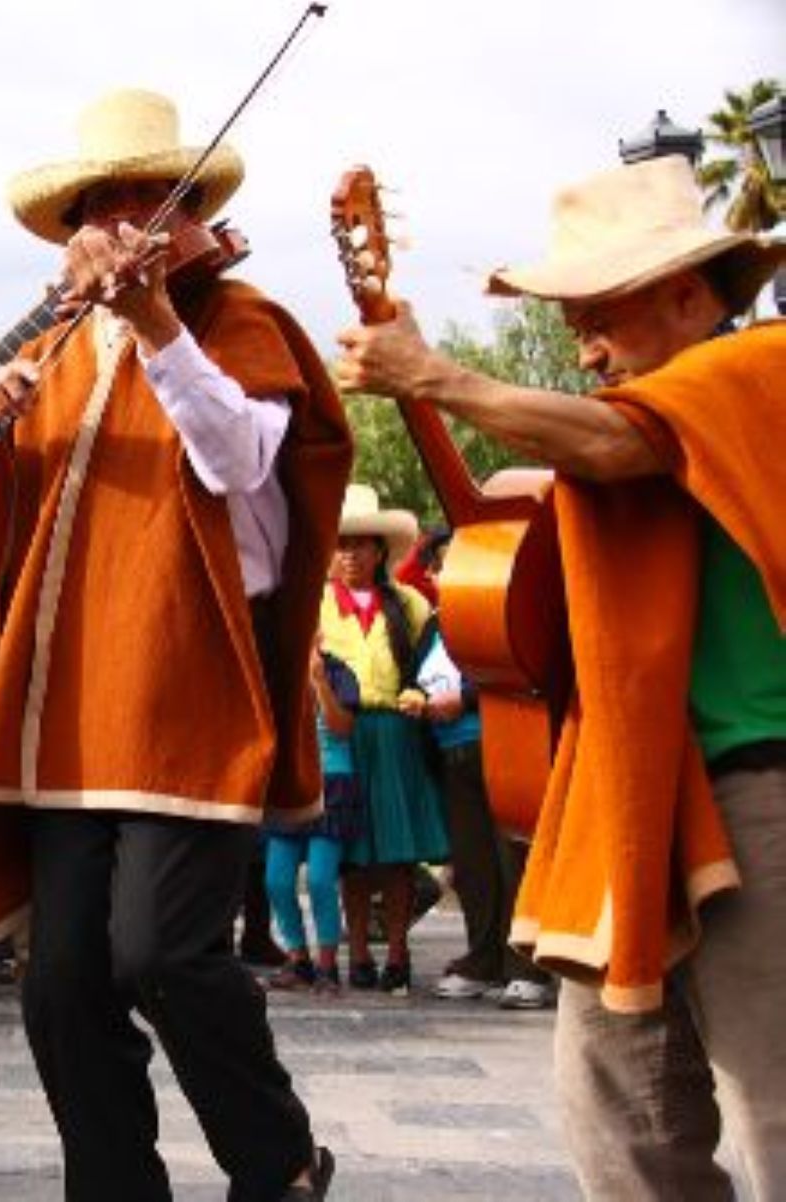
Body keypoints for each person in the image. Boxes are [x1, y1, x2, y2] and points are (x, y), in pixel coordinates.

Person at [0, 89, 350, 1202]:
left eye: (153, 199)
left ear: (190, 218)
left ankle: (277, 1161)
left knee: (166, 955)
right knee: (61, 985)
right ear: (74, 226)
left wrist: (157, 324)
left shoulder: (242, 320)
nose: (129, 220)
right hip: (69, 704)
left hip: (194, 687)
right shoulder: (52, 340)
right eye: (104, 203)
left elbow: (237, 462)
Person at [334, 154, 786, 1200]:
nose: (583, 342)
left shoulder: (755, 370)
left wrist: (438, 375)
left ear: (687, 291)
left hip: (757, 783)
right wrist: (427, 396)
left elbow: (618, 444)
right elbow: (504, 542)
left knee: (774, 1103)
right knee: (614, 1107)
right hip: (634, 796)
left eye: (600, 310)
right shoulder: (636, 415)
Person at [413, 536, 553, 1010]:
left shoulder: (504, 607)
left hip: (504, 742)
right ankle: (483, 958)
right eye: (438, 567)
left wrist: (466, 699)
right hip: (451, 753)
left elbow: (522, 668)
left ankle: (526, 967)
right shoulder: (432, 625)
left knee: (511, 855)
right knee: (473, 863)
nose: (444, 574)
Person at [321, 486, 450, 996]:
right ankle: (357, 952)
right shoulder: (318, 606)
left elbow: (432, 660)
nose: (349, 554)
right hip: (340, 737)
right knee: (351, 853)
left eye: (359, 545)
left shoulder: (411, 604)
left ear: (379, 550)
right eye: (341, 545)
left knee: (396, 854)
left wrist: (420, 690)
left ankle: (397, 950)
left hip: (395, 733)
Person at [263, 642, 363, 995]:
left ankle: (326, 966)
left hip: (332, 784)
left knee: (321, 880)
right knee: (276, 880)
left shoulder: (340, 673)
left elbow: (341, 728)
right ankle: (298, 959)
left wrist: (319, 681)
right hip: (290, 784)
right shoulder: (277, 670)